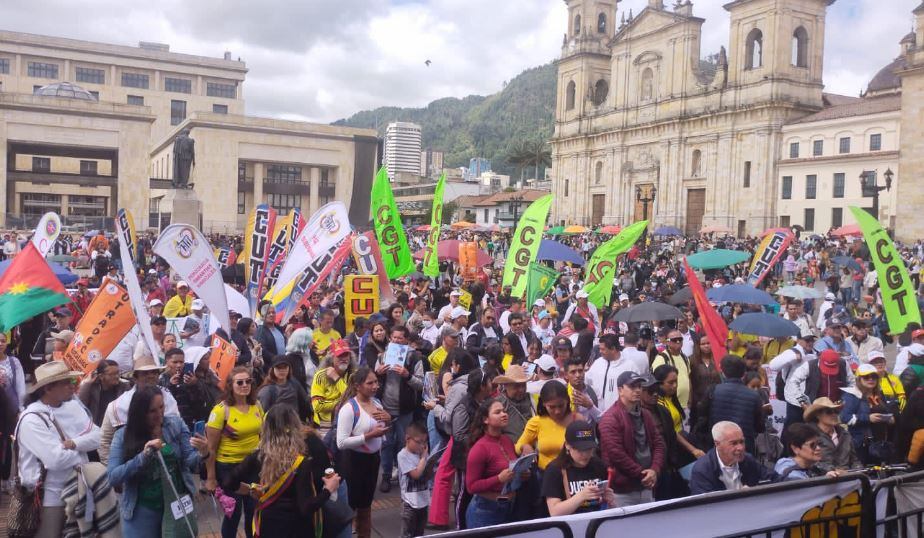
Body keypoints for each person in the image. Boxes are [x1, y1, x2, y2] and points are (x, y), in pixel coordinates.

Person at [223, 405, 340, 538]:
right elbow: (307, 507)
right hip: (296, 528)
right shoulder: (301, 462)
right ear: (295, 428)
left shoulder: (258, 456)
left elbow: (228, 482)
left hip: (268, 526)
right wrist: (328, 490)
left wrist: (250, 490)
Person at [108, 385, 209, 537]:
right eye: (152, 411)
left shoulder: (175, 424)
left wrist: (203, 453)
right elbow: (113, 477)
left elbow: (190, 462)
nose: (159, 414)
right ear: (140, 412)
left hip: (176, 504)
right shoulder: (123, 436)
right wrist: (143, 456)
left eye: (161, 407)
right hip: (142, 510)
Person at [16, 361, 101, 538]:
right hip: (49, 497)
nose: (72, 386)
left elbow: (99, 437)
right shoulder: (32, 418)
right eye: (66, 382)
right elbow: (55, 460)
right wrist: (83, 449)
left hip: (81, 489)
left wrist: (73, 443)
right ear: (48, 389)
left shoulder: (74, 407)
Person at [205, 366, 265, 538]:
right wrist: (211, 478)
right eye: (240, 382)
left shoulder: (256, 405)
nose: (245, 385)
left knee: (253, 510)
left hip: (253, 465)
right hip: (229, 467)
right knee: (233, 513)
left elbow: (262, 434)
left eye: (248, 381)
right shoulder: (220, 411)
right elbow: (211, 448)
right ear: (230, 385)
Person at [335, 366, 390, 538]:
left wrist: (388, 419)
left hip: (373, 461)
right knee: (350, 506)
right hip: (353, 462)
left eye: (376, 382)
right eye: (370, 383)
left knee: (366, 506)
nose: (375, 386)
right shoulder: (349, 409)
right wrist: (369, 436)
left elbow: (381, 430)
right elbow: (341, 442)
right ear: (357, 386)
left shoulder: (377, 403)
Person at [598, 371, 665, 506]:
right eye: (632, 386)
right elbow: (616, 454)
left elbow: (659, 444)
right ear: (620, 390)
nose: (637, 390)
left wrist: (654, 469)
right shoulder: (609, 418)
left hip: (646, 485)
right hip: (621, 491)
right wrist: (643, 474)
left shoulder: (646, 414)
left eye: (639, 386)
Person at [374, 326, 424, 493]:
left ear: (406, 340)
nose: (396, 341)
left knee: (404, 442)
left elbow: (421, 384)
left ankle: (404, 474)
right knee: (386, 443)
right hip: (385, 408)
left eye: (400, 338)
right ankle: (386, 475)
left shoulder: (414, 357)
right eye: (394, 338)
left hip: (405, 410)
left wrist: (407, 375)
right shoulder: (382, 356)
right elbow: (372, 382)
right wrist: (378, 373)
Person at [542, 420, 617, 516]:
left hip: (597, 520)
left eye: (589, 449)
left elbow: (608, 507)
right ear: (567, 445)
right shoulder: (555, 470)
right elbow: (554, 512)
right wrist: (581, 496)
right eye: (579, 450)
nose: (585, 454)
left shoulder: (599, 465)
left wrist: (610, 501)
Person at [464, 398, 518, 529]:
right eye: (497, 412)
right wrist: (498, 478)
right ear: (485, 419)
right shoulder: (479, 448)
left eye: (504, 411)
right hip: (484, 512)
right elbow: (471, 486)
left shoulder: (507, 440)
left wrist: (520, 474)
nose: (504, 414)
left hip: (508, 507)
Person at [688, 421, 779, 494]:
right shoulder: (702, 470)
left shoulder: (748, 460)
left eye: (742, 442)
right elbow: (705, 507)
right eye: (734, 443)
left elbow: (775, 478)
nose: (740, 448)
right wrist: (742, 497)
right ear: (717, 444)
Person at [708, 355, 765, 456]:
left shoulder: (713, 391)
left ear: (722, 371)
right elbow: (760, 427)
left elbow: (705, 418)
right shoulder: (754, 395)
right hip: (744, 446)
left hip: (719, 444)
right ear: (744, 373)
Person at [516, 380, 579, 471]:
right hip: (545, 473)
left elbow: (588, 439)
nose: (557, 411)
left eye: (561, 406)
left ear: (567, 401)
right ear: (544, 404)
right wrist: (524, 447)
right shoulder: (536, 422)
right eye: (552, 407)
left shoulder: (577, 419)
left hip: (573, 472)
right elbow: (518, 446)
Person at [840, 363, 895, 464]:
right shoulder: (851, 395)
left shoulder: (879, 393)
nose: (871, 379)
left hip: (881, 440)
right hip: (862, 443)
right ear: (859, 379)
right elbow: (845, 417)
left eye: (874, 376)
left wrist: (890, 418)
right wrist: (868, 418)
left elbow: (886, 410)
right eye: (866, 377)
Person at [586, 334, 640, 413]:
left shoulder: (630, 366)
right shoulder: (597, 363)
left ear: (613, 349)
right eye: (600, 349)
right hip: (596, 413)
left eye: (603, 349)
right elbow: (587, 382)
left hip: (620, 415)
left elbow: (636, 391)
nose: (600, 352)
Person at [803, 397, 860, 473]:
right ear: (818, 415)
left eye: (836, 411)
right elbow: (808, 461)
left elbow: (854, 460)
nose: (834, 415)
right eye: (829, 412)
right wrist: (832, 471)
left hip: (849, 476)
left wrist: (858, 470)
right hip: (822, 477)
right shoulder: (809, 435)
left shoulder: (845, 434)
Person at [311, 340, 355, 437]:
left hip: (349, 420)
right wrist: (342, 402)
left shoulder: (354, 374)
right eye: (340, 356)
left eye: (346, 355)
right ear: (331, 358)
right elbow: (317, 406)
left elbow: (354, 398)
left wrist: (337, 378)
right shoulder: (320, 376)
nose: (344, 359)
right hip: (325, 424)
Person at [774, 423, 844, 480]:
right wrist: (824, 482)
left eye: (819, 444)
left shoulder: (812, 467)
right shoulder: (790, 474)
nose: (818, 448)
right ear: (796, 448)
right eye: (812, 445)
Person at [397, 422, 431, 538]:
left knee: (420, 533)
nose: (422, 446)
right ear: (407, 439)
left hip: (423, 501)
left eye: (424, 442)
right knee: (407, 534)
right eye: (419, 442)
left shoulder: (422, 454)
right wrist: (423, 458)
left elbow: (427, 475)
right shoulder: (403, 455)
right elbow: (415, 474)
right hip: (409, 504)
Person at [258, 354, 312, 422]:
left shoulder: (294, 383)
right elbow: (262, 414)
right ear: (272, 369)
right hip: (276, 425)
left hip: (296, 423)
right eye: (278, 368)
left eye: (285, 367)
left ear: (289, 368)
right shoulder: (267, 391)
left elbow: (305, 402)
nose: (282, 370)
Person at [79, 359, 129, 426]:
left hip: (117, 426)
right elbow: (80, 406)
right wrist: (86, 384)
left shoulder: (124, 387)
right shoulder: (91, 388)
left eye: (117, 373)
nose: (117, 376)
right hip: (94, 427)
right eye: (112, 374)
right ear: (101, 376)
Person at [651, 329, 691, 409]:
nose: (678, 342)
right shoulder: (661, 358)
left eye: (680, 339)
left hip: (685, 406)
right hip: (669, 407)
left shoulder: (685, 358)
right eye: (674, 340)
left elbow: (688, 378)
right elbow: (658, 383)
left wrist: (690, 400)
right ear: (667, 342)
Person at [494, 364, 535, 442]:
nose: (521, 390)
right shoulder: (497, 404)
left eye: (523, 385)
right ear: (506, 385)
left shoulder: (532, 399)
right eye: (516, 386)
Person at [563, 356, 601, 423]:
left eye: (580, 371)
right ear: (566, 375)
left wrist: (590, 406)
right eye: (573, 372)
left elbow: (602, 420)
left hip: (589, 429)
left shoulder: (594, 391)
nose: (578, 375)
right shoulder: (561, 393)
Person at [0, 332, 26, 411]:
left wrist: (21, 408)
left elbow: (20, 386)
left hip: (10, 408)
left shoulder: (14, 362)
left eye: (3, 341)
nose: (0, 344)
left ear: (6, 344)